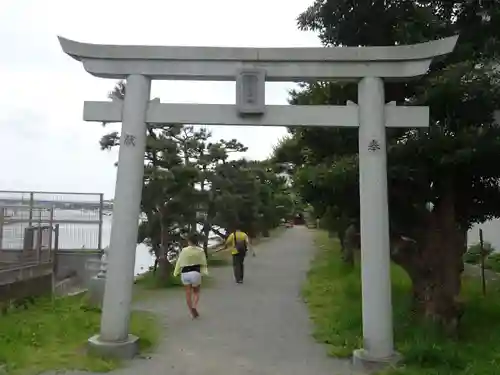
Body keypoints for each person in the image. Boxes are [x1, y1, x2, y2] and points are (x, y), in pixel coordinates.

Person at [173, 233, 208, 319]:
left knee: (188, 293)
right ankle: (194, 306)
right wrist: (204, 272)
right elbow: (204, 262)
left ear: (189, 241)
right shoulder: (200, 251)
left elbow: (179, 262)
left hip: (185, 273)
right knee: (196, 292)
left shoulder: (184, 250)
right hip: (195, 272)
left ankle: (191, 311)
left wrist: (176, 272)